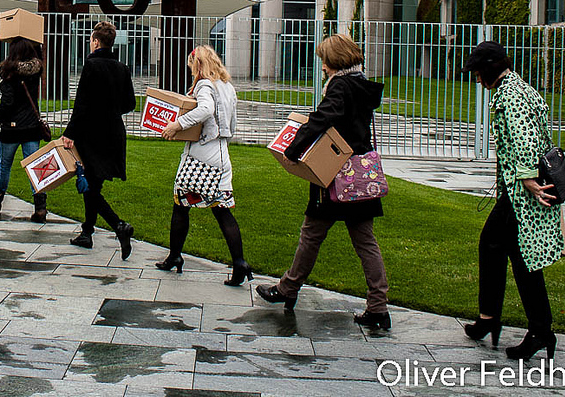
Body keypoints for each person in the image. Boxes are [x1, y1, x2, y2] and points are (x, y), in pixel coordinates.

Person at [256, 34, 391, 330]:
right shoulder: (362, 84)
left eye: (324, 61)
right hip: (360, 176)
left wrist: (294, 147)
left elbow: (323, 118)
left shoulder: (340, 85)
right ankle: (378, 307)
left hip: (334, 174)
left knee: (312, 233)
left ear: (334, 60)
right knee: (365, 241)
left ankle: (288, 289)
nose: (323, 67)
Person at [462, 41, 563, 360]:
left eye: (478, 73)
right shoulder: (522, 87)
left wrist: (528, 179)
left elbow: (524, 137)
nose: (477, 79)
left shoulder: (509, 94)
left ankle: (537, 329)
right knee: (497, 247)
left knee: (517, 256)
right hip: (517, 188)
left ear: (489, 69)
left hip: (521, 190)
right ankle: (491, 320)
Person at [158, 45, 252, 286]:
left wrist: (177, 125)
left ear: (198, 64)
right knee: (222, 209)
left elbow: (206, 109)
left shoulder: (204, 85)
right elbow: (232, 122)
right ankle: (239, 262)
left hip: (201, 153)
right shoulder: (228, 87)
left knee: (181, 204)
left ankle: (175, 256)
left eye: (192, 66)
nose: (190, 71)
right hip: (222, 154)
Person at [61, 21, 136, 259]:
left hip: (92, 134)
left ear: (95, 41)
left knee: (91, 187)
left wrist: (69, 133)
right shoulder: (122, 68)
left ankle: (119, 225)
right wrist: (111, 109)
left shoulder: (91, 65)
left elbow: (82, 104)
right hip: (113, 133)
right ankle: (87, 232)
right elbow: (130, 104)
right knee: (93, 184)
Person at [0, 38, 49, 222]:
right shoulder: (35, 72)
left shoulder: (9, 74)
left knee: (5, 164)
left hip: (12, 127)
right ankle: (40, 206)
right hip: (31, 126)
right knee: (34, 166)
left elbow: (8, 102)